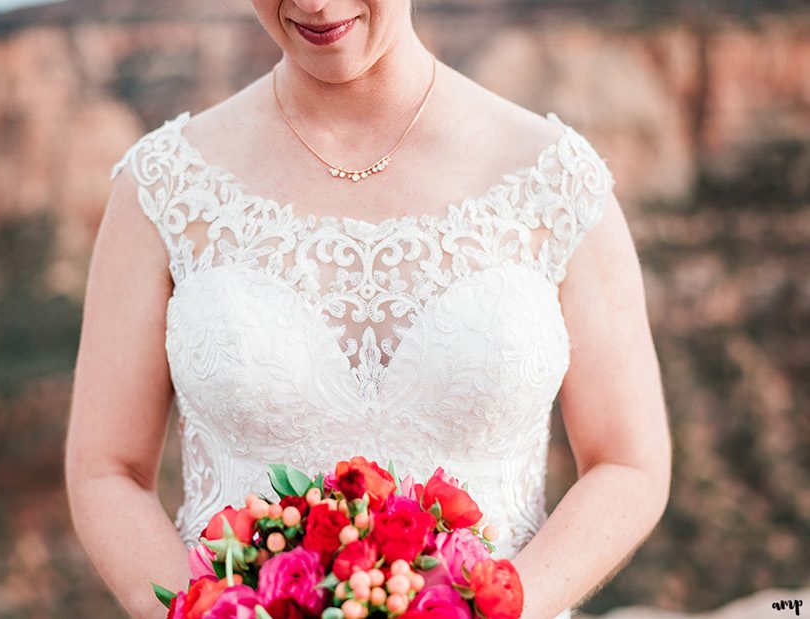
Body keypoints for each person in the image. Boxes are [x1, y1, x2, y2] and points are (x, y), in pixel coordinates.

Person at [64, 2, 671, 617]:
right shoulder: (163, 184)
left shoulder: (555, 178)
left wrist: (501, 610)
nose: (313, 4)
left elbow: (626, 462)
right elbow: (108, 470)